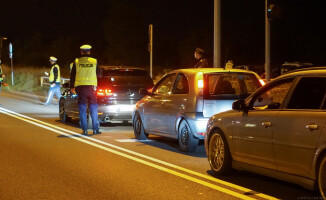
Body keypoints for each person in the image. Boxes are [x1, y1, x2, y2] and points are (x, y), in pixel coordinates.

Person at [70, 44, 101, 136]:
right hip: (92, 88)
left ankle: (85, 130)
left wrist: (72, 87)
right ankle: (95, 129)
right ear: (89, 52)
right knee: (93, 107)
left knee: (82, 108)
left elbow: (72, 75)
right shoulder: (94, 61)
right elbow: (99, 75)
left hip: (80, 87)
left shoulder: (77, 61)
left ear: (81, 52)